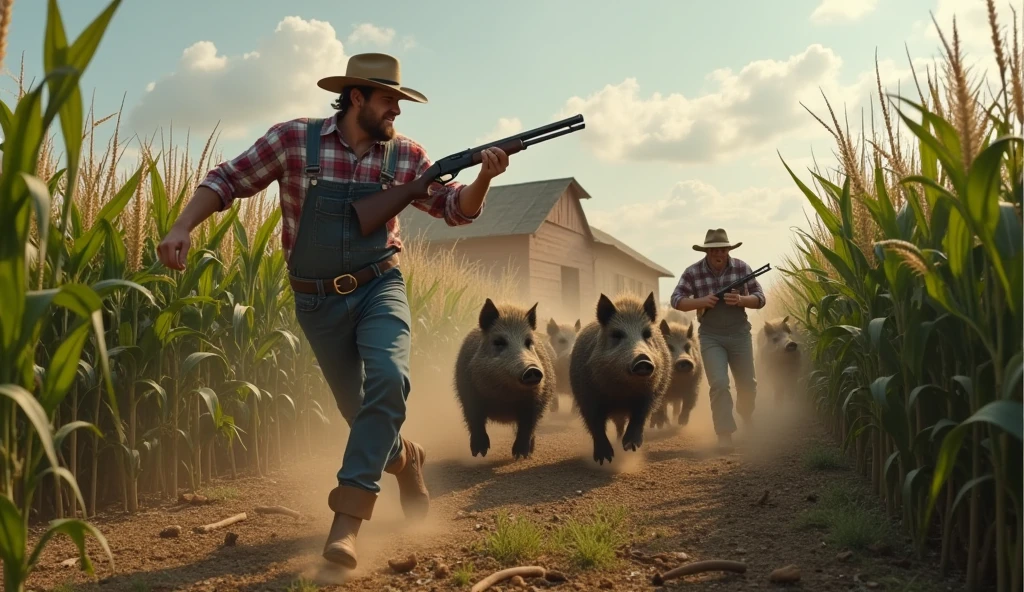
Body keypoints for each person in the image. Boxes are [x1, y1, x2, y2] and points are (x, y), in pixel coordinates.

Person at [155, 52, 509, 569]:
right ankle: (406, 459)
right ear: (357, 97)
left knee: (388, 380)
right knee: (360, 413)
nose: (398, 111)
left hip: (378, 287)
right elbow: (227, 180)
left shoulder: (406, 156)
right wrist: (182, 225)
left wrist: (484, 178)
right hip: (316, 300)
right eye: (390, 100)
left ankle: (347, 522)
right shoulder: (293, 140)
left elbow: (454, 210)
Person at [669, 228, 765, 452]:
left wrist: (741, 299)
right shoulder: (692, 272)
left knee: (747, 385)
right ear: (707, 251)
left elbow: (760, 298)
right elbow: (677, 300)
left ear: (728, 249)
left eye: (722, 249)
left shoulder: (742, 268)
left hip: (740, 333)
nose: (718, 253)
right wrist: (702, 301)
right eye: (714, 250)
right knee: (719, 384)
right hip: (711, 335)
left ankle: (746, 414)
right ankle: (724, 433)